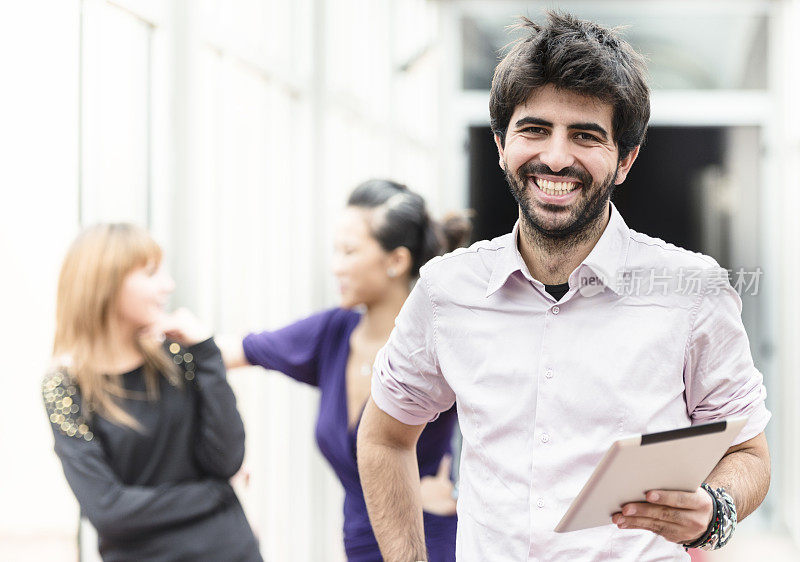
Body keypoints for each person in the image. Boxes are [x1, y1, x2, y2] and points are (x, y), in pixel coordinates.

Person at [357, 12, 771, 562]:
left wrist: (713, 511)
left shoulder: (691, 291)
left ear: (624, 160)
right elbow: (385, 437)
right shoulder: (445, 291)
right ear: (502, 144)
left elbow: (749, 452)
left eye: (585, 135)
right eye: (535, 129)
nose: (556, 157)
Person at [220, 179, 470, 562]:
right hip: (359, 543)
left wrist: (460, 493)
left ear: (396, 261)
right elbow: (234, 350)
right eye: (335, 251)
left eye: (349, 251)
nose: (336, 266)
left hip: (428, 538)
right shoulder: (332, 333)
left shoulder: (441, 337)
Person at [43, 224, 262, 562]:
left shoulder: (179, 357)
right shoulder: (66, 387)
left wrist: (206, 351)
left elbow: (226, 458)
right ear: (105, 282)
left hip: (229, 550)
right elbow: (108, 511)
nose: (168, 286)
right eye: (151, 273)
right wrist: (216, 492)